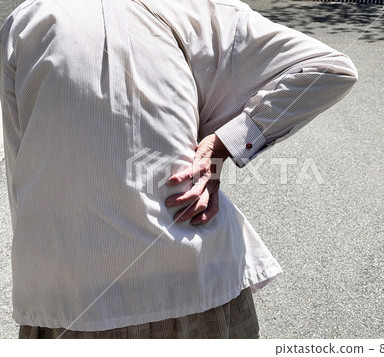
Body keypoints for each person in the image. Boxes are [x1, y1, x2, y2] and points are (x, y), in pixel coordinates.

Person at [0, 0, 357, 338]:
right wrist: (226, 143)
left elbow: (21, 160)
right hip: (197, 285)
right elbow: (331, 68)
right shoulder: (200, 11)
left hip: (68, 300)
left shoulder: (27, 22)